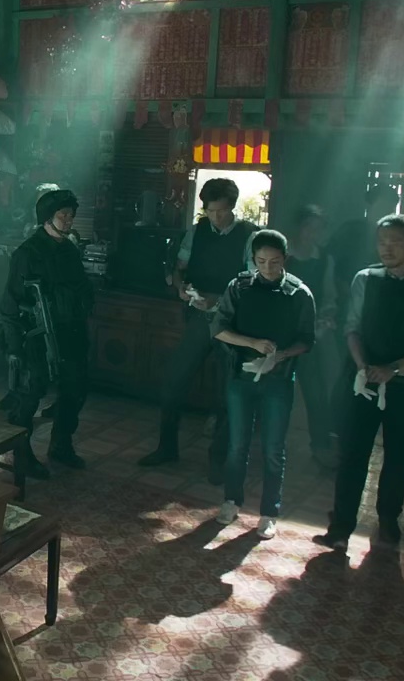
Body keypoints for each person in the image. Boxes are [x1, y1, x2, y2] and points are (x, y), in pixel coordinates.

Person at [315, 214, 404, 551]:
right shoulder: (366, 279)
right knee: (353, 453)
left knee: (397, 454)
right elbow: (352, 328)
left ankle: (389, 520)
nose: (387, 248)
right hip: (364, 382)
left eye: (395, 242)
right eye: (382, 242)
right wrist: (362, 365)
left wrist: (394, 369)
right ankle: (341, 526)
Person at [137, 178, 259, 481]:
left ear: (232, 207)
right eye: (210, 211)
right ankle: (167, 447)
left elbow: (252, 283)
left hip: (232, 322)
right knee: (173, 381)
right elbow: (179, 268)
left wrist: (218, 300)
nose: (216, 217)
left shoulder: (249, 235)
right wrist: (181, 288)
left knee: (226, 393)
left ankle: (218, 460)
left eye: (221, 211)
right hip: (200, 318)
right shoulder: (197, 230)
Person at [210, 230, 316, 539]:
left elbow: (307, 340)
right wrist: (252, 343)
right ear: (252, 259)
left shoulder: (298, 293)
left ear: (285, 259)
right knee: (237, 444)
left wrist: (283, 354)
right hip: (241, 377)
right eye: (261, 261)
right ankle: (231, 500)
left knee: (273, 448)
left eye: (275, 261)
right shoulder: (239, 286)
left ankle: (269, 511)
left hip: (278, 380)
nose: (268, 268)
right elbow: (219, 329)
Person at [0, 187, 95, 475]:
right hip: (36, 336)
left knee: (74, 391)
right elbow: (10, 305)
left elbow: (82, 290)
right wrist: (14, 348)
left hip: (69, 334)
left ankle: (61, 446)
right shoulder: (28, 254)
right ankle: (21, 455)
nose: (69, 220)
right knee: (29, 396)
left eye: (71, 215)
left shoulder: (69, 251)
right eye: (63, 215)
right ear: (47, 217)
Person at [285, 205, 342, 469]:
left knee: (317, 389)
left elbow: (329, 297)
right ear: (299, 227)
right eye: (309, 227)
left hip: (311, 333)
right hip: (282, 331)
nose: (313, 233)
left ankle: (321, 445)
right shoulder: (284, 255)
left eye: (318, 229)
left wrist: (327, 315)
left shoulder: (324, 259)